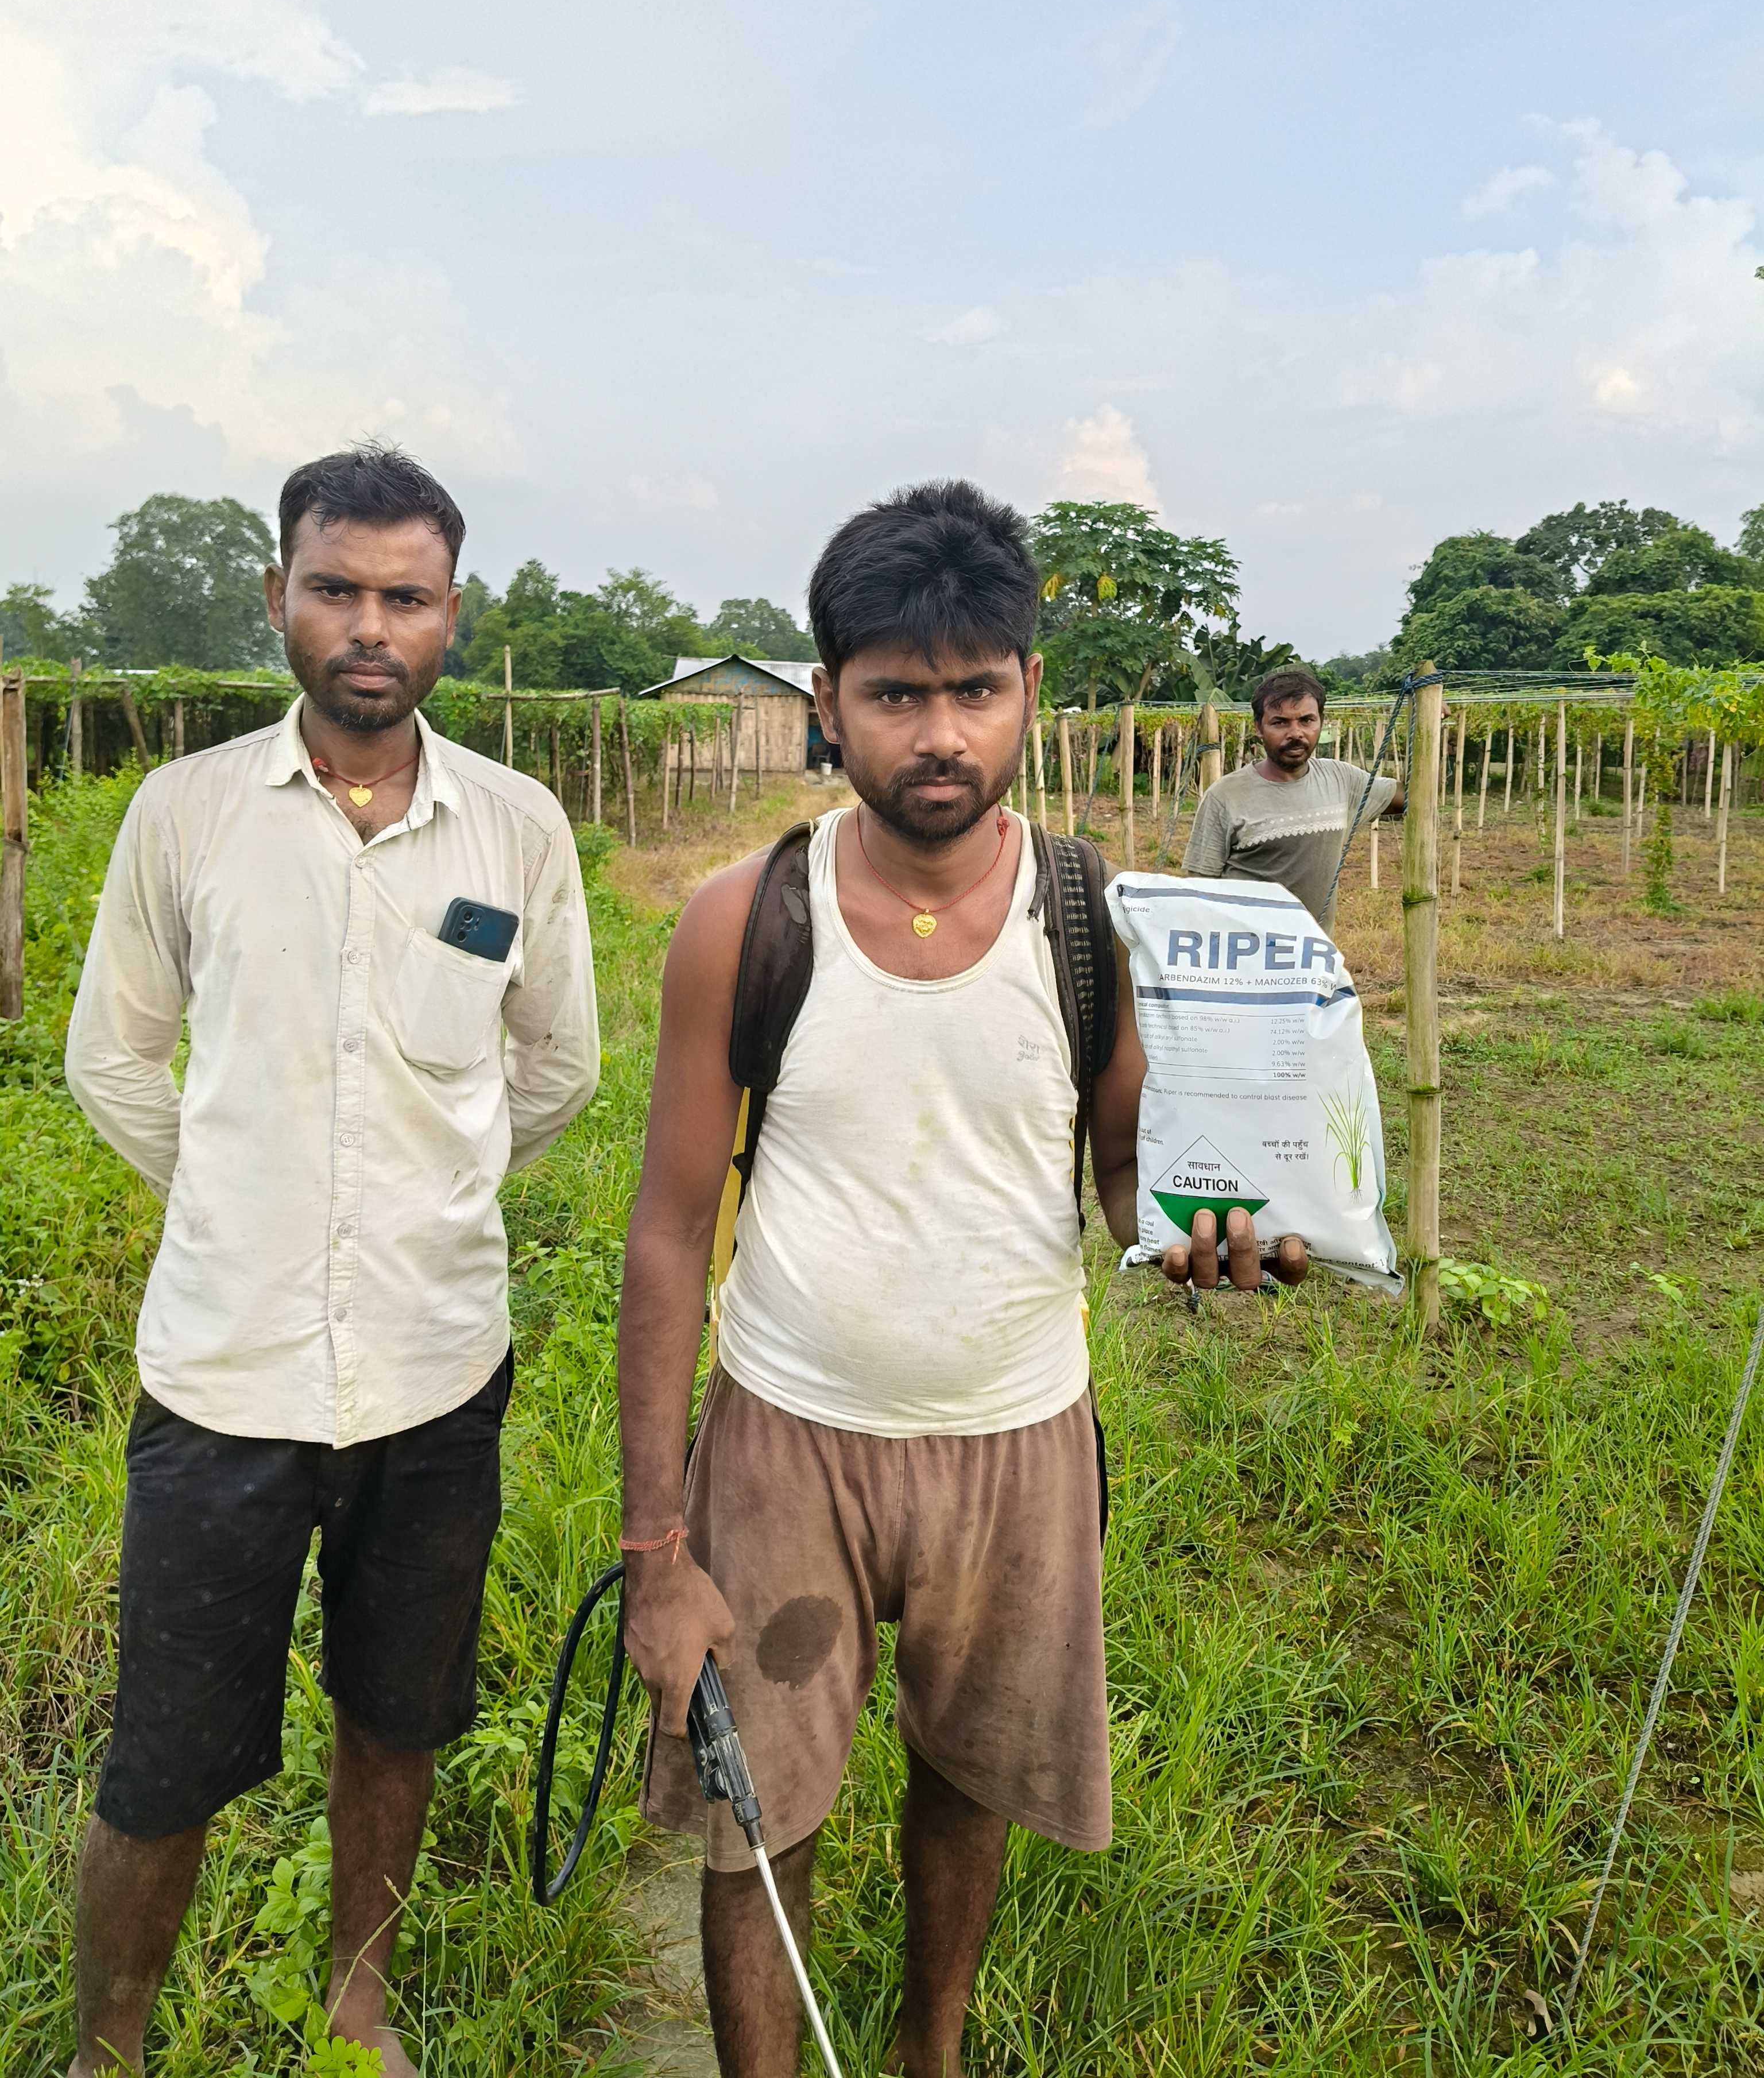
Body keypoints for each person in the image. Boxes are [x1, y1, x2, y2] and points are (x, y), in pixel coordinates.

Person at [616, 479, 1306, 2077]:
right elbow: (664, 1232)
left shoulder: (1091, 925)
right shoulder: (745, 922)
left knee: (972, 1779)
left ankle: (928, 2052)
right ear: (826, 702)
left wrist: (1197, 1230)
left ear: (1027, 693)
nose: (939, 735)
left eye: (974, 691)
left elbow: (1122, 1171)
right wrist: (657, 1548)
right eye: (895, 695)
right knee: (756, 1813)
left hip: (1016, 1436)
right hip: (787, 1437)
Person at [63, 444, 599, 2077]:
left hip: (435, 1368)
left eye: (405, 596)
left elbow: (557, 1065)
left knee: (399, 1711)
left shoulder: (513, 828)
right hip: (224, 1375)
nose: (371, 626)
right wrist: (240, 1195)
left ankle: (356, 2007)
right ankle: (108, 2049)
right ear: (278, 597)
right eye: (337, 590)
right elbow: (112, 1059)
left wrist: (427, 1189)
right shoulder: (188, 813)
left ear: (452, 613)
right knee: (164, 1754)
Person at [1181, 666, 1404, 932]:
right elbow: (1199, 891)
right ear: (1259, 727)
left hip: (1314, 953)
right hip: (1243, 952)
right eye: (1280, 723)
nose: (1296, 733)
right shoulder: (1225, 796)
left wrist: (1427, 721)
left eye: (1307, 721)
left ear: (1321, 721)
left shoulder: (1342, 780)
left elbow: (1412, 798)